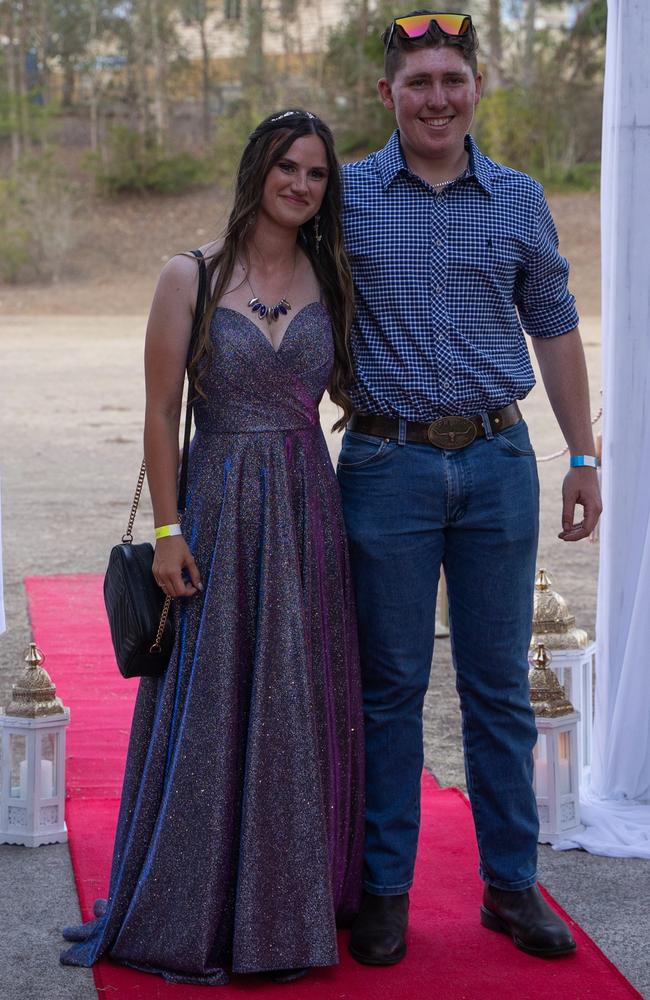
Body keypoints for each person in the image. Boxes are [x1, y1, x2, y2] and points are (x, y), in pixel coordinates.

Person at [60, 109, 364, 985]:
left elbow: (350, 379)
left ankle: (289, 905)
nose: (302, 185)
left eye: (316, 174)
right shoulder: (189, 274)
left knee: (297, 700)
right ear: (257, 170)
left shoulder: (332, 275)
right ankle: (197, 900)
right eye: (288, 168)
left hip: (308, 507)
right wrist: (167, 530)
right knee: (214, 699)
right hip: (217, 505)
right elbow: (159, 410)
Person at [337, 11, 602, 965]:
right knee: (389, 691)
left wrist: (581, 457)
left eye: (452, 78)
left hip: (497, 464)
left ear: (477, 87)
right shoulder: (346, 196)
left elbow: (556, 328)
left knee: (498, 690)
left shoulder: (522, 199)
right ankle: (382, 892)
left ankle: (511, 888)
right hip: (385, 467)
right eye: (419, 83)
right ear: (388, 97)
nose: (437, 97)